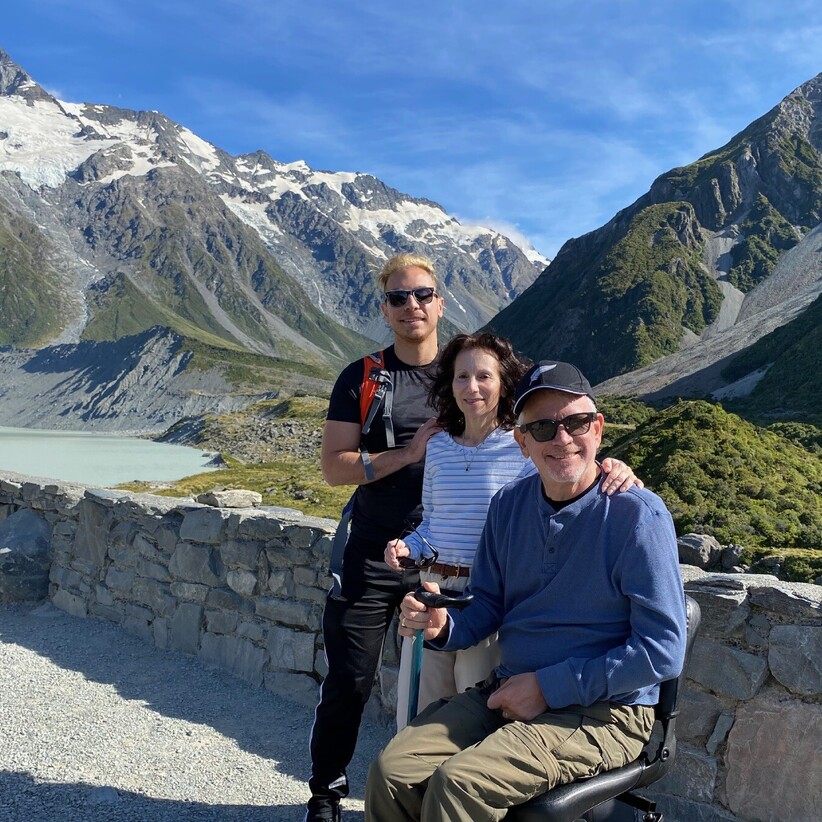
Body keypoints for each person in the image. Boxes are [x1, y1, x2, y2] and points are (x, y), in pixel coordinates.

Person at [365, 360, 687, 822]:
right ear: (521, 441)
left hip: (604, 710)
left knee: (460, 786)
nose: (561, 439)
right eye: (541, 427)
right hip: (510, 688)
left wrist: (547, 687)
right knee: (393, 770)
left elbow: (662, 651)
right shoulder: (509, 507)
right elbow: (489, 605)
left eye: (575, 422)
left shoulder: (637, 517)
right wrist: (444, 627)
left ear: (597, 429)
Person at [384, 333, 641, 728]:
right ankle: (411, 785)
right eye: (461, 376)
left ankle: (460, 788)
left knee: (475, 720)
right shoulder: (437, 447)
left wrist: (613, 467)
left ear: (503, 382)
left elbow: (565, 475)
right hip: (433, 590)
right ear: (448, 384)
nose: (472, 387)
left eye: (484, 376)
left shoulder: (526, 441)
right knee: (418, 712)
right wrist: (408, 546)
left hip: (486, 601)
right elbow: (433, 522)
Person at [305, 253, 445, 822]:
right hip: (368, 552)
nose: (411, 305)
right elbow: (335, 468)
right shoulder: (361, 378)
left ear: (440, 302)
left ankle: (425, 795)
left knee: (444, 688)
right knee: (350, 680)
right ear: (384, 308)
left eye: (422, 294)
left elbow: (531, 437)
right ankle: (326, 792)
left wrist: (609, 469)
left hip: (442, 557)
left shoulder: (470, 374)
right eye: (398, 297)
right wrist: (408, 454)